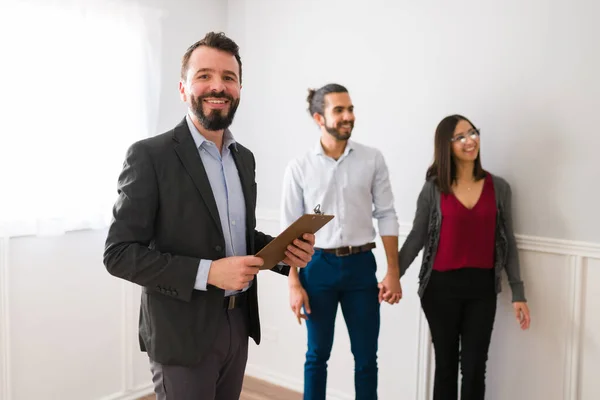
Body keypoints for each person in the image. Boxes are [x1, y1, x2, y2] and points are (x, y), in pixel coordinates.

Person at [103, 32, 315, 400]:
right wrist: (208, 272)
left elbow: (239, 236)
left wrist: (284, 254)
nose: (218, 86)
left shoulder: (243, 158)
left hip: (238, 322)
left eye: (228, 78)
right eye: (204, 75)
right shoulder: (149, 156)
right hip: (180, 333)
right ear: (183, 89)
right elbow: (118, 254)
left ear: (239, 89)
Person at [281, 83, 402, 400]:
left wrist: (393, 271)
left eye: (350, 109)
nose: (348, 116)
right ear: (319, 118)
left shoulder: (372, 159)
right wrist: (293, 282)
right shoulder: (299, 168)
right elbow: (289, 232)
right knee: (316, 356)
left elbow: (387, 214)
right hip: (316, 267)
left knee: (366, 360)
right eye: (339, 110)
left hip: (362, 267)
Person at [398, 114, 532, 400]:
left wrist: (518, 293)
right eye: (460, 136)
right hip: (439, 289)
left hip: (482, 290)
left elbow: (508, 242)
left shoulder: (500, 188)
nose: (470, 140)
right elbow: (416, 238)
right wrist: (392, 275)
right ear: (446, 145)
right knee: (446, 367)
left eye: (473, 133)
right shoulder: (434, 188)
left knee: (474, 368)